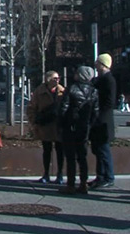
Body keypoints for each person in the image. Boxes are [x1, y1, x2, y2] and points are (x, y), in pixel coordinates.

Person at [58, 66, 99, 195]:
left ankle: (70, 184)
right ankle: (83, 183)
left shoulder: (72, 88)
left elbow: (63, 109)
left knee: (70, 157)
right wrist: (88, 125)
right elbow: (95, 112)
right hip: (84, 127)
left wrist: (61, 124)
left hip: (70, 127)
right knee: (82, 156)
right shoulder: (94, 91)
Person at [26, 70, 65, 184]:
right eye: (54, 78)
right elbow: (31, 108)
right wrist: (34, 122)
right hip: (45, 125)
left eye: (58, 78)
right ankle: (46, 174)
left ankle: (60, 174)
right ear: (48, 80)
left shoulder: (62, 91)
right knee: (46, 150)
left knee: (60, 151)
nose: (57, 80)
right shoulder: (40, 91)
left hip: (58, 126)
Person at [89, 53, 116, 189]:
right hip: (98, 121)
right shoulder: (100, 79)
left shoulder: (109, 80)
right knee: (98, 150)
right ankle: (100, 176)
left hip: (103, 122)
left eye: (97, 62)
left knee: (103, 150)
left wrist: (99, 115)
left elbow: (109, 102)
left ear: (103, 64)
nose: (95, 65)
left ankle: (108, 177)